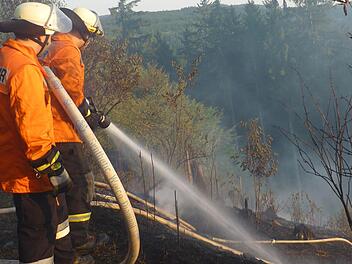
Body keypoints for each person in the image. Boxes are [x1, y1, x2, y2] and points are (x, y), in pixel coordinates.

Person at [0, 2, 74, 264]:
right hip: (31, 173)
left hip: (17, 162)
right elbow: (33, 130)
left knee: (58, 224)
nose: (51, 40)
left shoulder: (7, 57)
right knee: (39, 237)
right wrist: (53, 169)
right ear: (38, 34)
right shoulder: (26, 71)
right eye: (50, 35)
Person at [42, 7, 108, 264]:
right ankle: (78, 242)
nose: (89, 43)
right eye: (89, 36)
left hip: (49, 130)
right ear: (82, 31)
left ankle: (62, 241)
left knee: (59, 191)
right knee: (81, 185)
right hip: (63, 132)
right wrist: (87, 113)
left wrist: (87, 106)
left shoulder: (51, 46)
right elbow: (71, 95)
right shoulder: (69, 50)